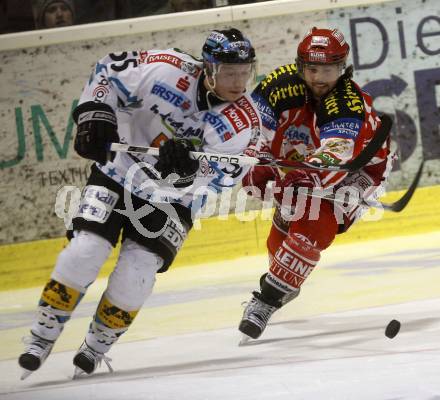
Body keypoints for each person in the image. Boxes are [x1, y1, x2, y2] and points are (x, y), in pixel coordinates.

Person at [18, 28, 261, 379]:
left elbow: (225, 176)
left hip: (172, 200)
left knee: (137, 273)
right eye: (229, 73)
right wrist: (95, 111)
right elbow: (107, 70)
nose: (238, 83)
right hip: (119, 172)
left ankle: (98, 342)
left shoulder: (243, 121)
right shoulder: (165, 68)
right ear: (207, 68)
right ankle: (42, 334)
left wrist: (191, 168)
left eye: (245, 72)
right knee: (85, 251)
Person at [238, 27, 393, 341]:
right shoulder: (278, 86)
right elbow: (253, 130)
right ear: (299, 66)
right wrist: (255, 160)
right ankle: (281, 283)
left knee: (315, 224)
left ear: (342, 68)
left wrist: (305, 177)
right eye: (312, 68)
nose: (320, 78)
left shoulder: (346, 101)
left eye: (329, 69)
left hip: (362, 171)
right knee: (280, 241)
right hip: (308, 158)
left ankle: (264, 302)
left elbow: (338, 152)